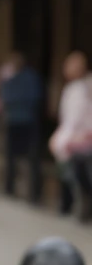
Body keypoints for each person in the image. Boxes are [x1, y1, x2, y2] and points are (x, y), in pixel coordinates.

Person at [0, 51, 44, 202]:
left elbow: (32, 97)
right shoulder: (9, 78)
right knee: (11, 157)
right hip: (13, 121)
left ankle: (34, 193)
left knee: (32, 159)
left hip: (26, 121)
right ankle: (10, 188)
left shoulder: (29, 77)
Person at [49, 50, 92, 220]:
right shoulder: (73, 88)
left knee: (79, 176)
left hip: (82, 139)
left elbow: (78, 119)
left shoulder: (84, 88)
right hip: (73, 138)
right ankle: (70, 205)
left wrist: (64, 139)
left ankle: (78, 205)